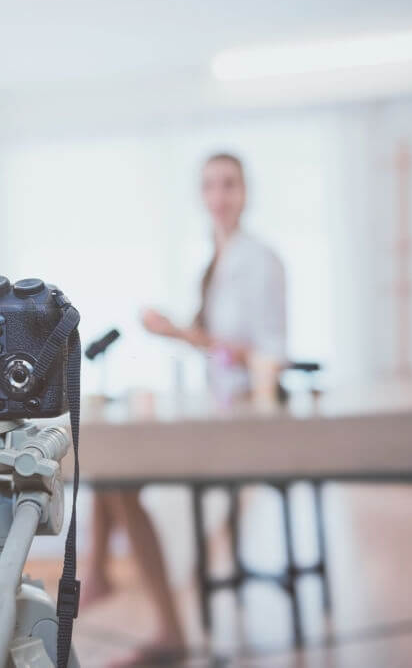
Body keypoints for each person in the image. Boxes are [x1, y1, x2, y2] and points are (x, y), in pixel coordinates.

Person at [84, 153, 287, 666]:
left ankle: (110, 585)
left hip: (247, 417)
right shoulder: (214, 262)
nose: (219, 197)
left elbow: (267, 354)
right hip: (216, 407)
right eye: (210, 187)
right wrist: (178, 331)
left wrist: (178, 332)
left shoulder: (260, 260)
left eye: (229, 185)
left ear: (246, 192)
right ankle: (103, 577)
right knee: (108, 462)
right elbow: (214, 345)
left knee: (116, 470)